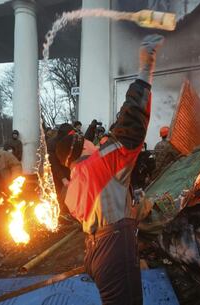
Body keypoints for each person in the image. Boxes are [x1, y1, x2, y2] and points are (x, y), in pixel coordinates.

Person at [55, 34, 164, 305]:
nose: (96, 141)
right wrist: (145, 68)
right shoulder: (99, 164)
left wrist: (134, 208)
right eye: (90, 140)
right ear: (82, 146)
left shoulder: (74, 184)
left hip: (95, 251)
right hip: (115, 250)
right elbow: (131, 125)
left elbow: (106, 209)